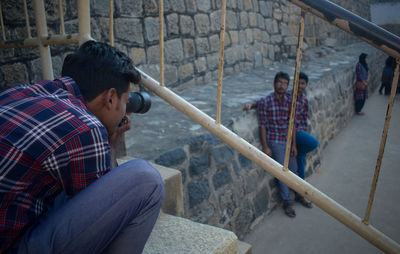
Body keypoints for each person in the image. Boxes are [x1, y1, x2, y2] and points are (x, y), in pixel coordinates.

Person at [0, 41, 165, 253]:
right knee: (146, 181)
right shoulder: (85, 128)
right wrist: (111, 144)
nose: (125, 111)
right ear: (111, 97)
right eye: (125, 102)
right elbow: (104, 215)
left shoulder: (21, 92)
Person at [245, 72, 306, 218]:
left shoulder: (289, 101)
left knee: (294, 169)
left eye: (285, 83)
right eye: (279, 82)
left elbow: (291, 124)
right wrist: (266, 146)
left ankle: (299, 194)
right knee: (282, 172)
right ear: (274, 84)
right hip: (274, 140)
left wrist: (294, 145)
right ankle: (287, 202)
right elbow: (262, 126)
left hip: (287, 139)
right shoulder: (266, 101)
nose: (282, 86)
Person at [291, 72, 319, 208]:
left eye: (302, 83)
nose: (300, 86)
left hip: (300, 132)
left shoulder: (304, 99)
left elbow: (304, 118)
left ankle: (300, 195)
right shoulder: (288, 97)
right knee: (314, 143)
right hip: (291, 132)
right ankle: (299, 194)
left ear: (306, 85)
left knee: (301, 165)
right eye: (298, 83)